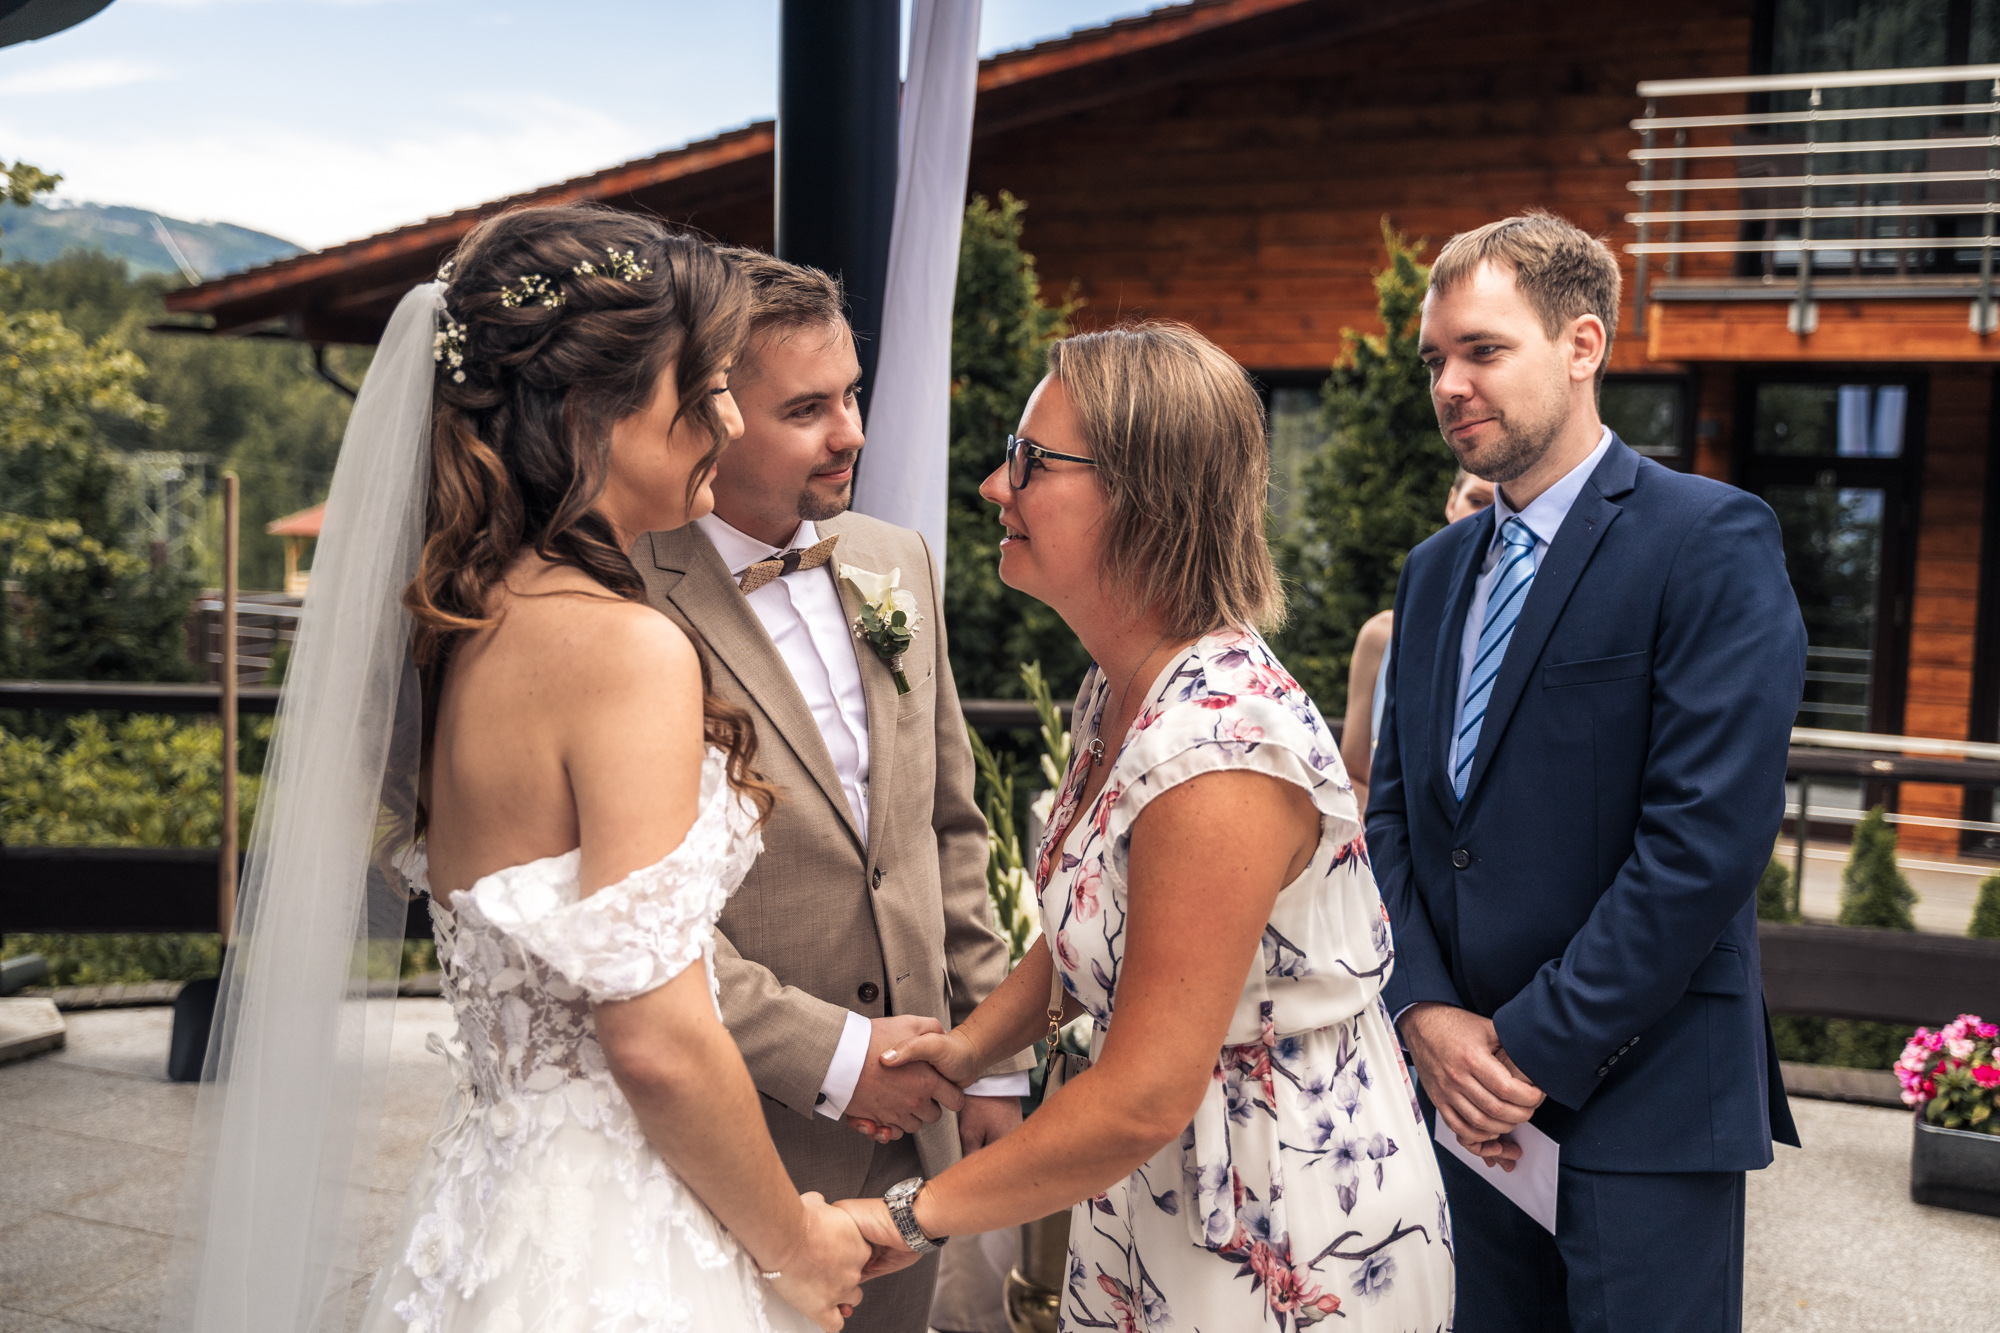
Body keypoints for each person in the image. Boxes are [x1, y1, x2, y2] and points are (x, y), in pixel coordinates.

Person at [165, 204, 877, 1333]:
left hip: (497, 1193)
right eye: (704, 387)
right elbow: (654, 1040)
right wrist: (794, 1244)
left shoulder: (468, 624)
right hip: (615, 1231)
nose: (730, 418)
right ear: (596, 410)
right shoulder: (620, 648)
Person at [832, 322, 1454, 1330]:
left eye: (1031, 460)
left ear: (1145, 497)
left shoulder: (1219, 747)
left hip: (1278, 1221)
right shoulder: (1117, 689)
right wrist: (969, 1049)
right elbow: (1104, 921)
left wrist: (904, 1216)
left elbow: (1143, 1095)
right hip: (1157, 1193)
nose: (994, 486)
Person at [1370, 211, 1804, 1332]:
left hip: (1641, 1101)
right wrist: (1424, 1013)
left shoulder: (1707, 539)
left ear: (1582, 345)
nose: (1449, 384)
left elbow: (1701, 845)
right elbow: (1391, 821)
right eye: (1434, 359)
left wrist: (1522, 1048)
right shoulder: (1432, 573)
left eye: (1482, 349)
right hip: (1458, 1107)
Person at [633, 249, 1034, 1333]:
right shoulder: (625, 594)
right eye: (807, 409)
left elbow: (946, 827)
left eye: (852, 395)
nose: (851, 432)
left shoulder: (894, 560)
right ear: (712, 417)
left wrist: (995, 1062)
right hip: (732, 1134)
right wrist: (832, 1058)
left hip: (917, 1137)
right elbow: (629, 916)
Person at [1341, 469, 1493, 809]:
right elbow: (1355, 777)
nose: (1488, 518)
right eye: (1477, 500)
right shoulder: (1381, 636)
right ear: (1451, 502)